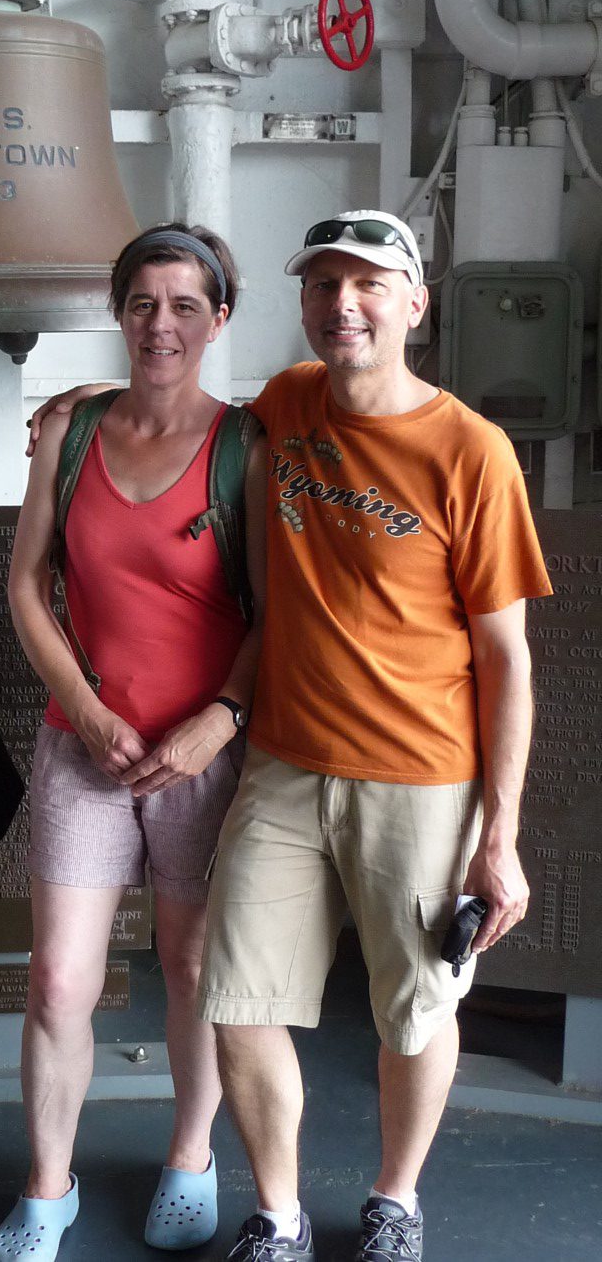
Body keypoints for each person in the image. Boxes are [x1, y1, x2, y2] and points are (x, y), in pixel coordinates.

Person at [197, 211, 552, 1261]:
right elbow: (188, 424)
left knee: (418, 1009)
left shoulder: (471, 452)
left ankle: (395, 1201)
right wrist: (81, 405)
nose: (341, 305)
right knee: (236, 998)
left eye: (367, 284)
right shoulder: (286, 401)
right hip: (283, 768)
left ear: (414, 304)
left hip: (422, 780)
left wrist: (500, 834)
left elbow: (507, 660)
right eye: (322, 285)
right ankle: (278, 1215)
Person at [0, 224, 266, 1262]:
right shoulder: (70, 431)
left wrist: (219, 719)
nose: (161, 324)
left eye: (186, 305)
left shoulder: (246, 445)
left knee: (191, 967)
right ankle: (47, 1187)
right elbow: (27, 585)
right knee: (59, 981)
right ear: (118, 312)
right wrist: (87, 704)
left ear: (218, 320)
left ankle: (190, 1159)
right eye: (142, 302)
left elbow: (274, 614)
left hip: (201, 759)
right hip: (84, 747)